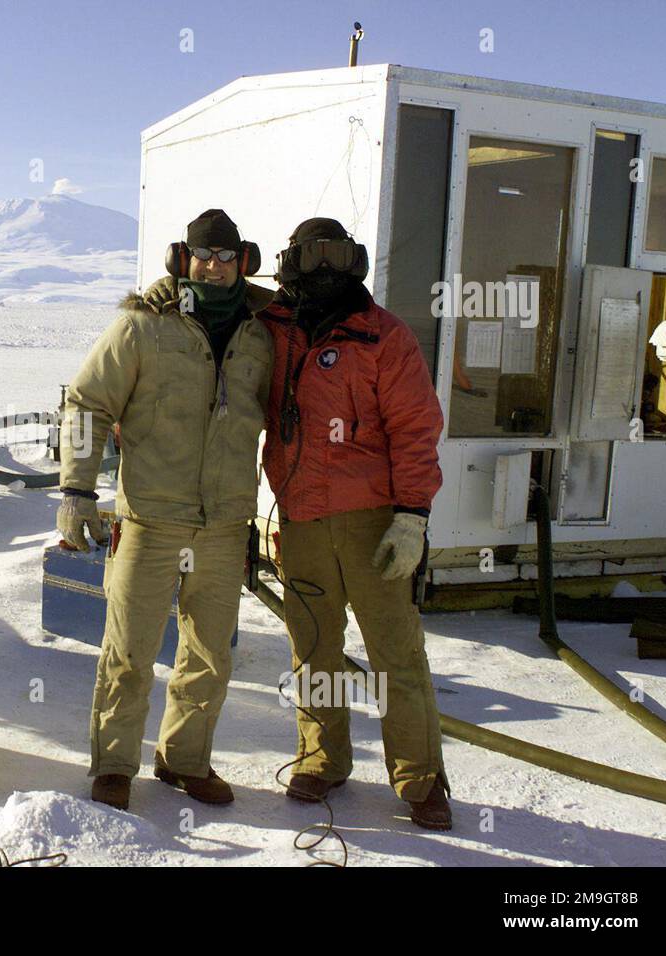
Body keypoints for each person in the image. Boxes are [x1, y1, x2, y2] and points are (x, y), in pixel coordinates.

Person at [57, 209, 274, 811]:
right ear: (185, 259)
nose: (214, 266)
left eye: (226, 257)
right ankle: (115, 765)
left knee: (209, 653)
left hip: (224, 525)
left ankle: (184, 760)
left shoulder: (261, 333)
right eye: (204, 255)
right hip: (150, 520)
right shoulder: (143, 326)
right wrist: (77, 492)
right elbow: (85, 404)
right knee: (128, 651)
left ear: (242, 262)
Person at [258, 217, 453, 831]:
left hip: (373, 523)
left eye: (335, 254)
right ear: (289, 261)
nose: (324, 268)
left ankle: (421, 779)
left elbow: (416, 428)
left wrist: (412, 517)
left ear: (356, 260)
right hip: (303, 519)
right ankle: (322, 758)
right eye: (311, 254)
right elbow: (217, 299)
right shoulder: (273, 330)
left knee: (395, 651)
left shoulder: (382, 336)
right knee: (314, 646)